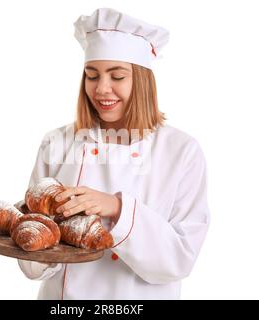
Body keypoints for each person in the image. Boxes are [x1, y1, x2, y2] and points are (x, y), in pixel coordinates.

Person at [17, 7, 210, 300]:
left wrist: (117, 209)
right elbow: (34, 266)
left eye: (117, 76)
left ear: (143, 81)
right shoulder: (57, 142)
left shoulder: (181, 152)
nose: (102, 89)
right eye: (92, 76)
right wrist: (29, 236)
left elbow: (179, 259)